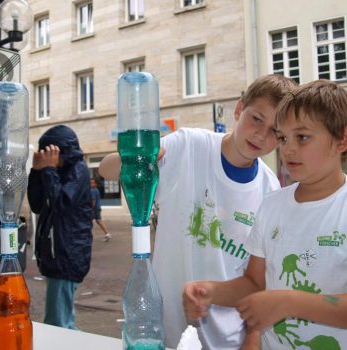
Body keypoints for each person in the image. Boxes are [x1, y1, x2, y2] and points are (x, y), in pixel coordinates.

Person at [99, 74, 297, 349]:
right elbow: (106, 170)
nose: (261, 135)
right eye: (256, 119)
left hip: (226, 340)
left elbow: (257, 279)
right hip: (165, 333)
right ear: (239, 108)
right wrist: (139, 157)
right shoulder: (189, 146)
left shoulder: (270, 189)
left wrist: (252, 337)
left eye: (275, 131)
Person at [183, 80, 347, 349]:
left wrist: (288, 302)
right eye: (283, 138)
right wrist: (210, 291)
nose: (288, 149)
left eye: (302, 137)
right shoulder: (271, 205)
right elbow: (254, 283)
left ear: (341, 139)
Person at [27, 125, 93, 329]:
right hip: (56, 256)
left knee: (58, 323)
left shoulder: (78, 169)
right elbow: (37, 204)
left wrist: (47, 170)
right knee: (61, 321)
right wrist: (37, 172)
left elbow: (62, 203)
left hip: (67, 257)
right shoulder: (57, 172)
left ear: (59, 150)